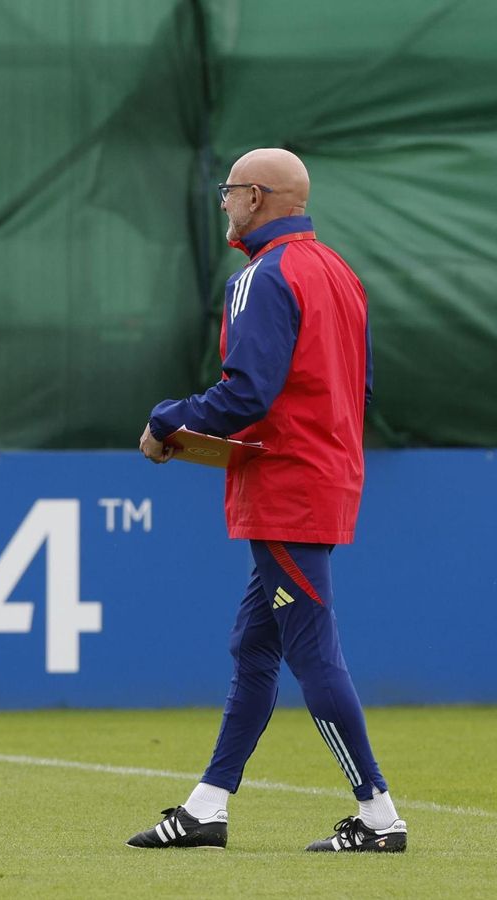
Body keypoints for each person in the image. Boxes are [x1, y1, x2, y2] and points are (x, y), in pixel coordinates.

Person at [128, 148, 404, 853]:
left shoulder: (262, 275)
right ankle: (207, 807)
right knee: (253, 644)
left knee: (312, 651)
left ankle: (379, 816)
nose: (223, 203)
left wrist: (168, 421)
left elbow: (246, 393)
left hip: (287, 487)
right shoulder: (339, 272)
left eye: (229, 192)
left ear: (256, 196)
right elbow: (358, 388)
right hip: (327, 475)